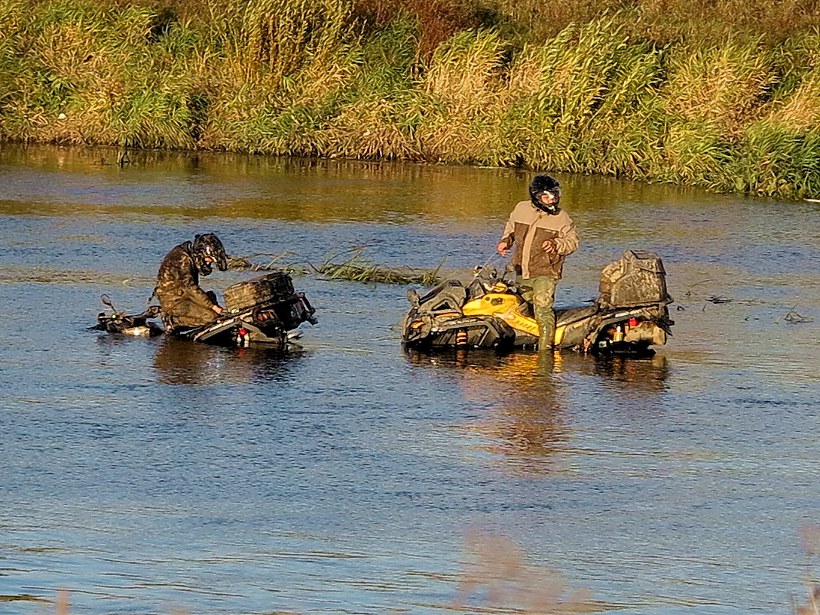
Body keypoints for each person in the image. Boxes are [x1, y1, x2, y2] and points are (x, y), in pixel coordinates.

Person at [496, 175, 579, 351]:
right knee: (523, 309)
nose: (552, 200)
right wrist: (505, 241)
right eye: (547, 196)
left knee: (542, 309)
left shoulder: (562, 217)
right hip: (521, 270)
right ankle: (525, 346)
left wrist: (556, 244)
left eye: (555, 195)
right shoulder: (521, 208)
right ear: (536, 196)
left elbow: (573, 242)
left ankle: (545, 352)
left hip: (546, 272)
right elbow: (510, 228)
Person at [153, 233, 229, 334]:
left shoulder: (189, 253)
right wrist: (213, 307)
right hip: (173, 299)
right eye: (209, 260)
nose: (209, 263)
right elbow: (191, 288)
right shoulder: (181, 259)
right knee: (211, 317)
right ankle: (173, 321)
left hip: (183, 294)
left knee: (211, 297)